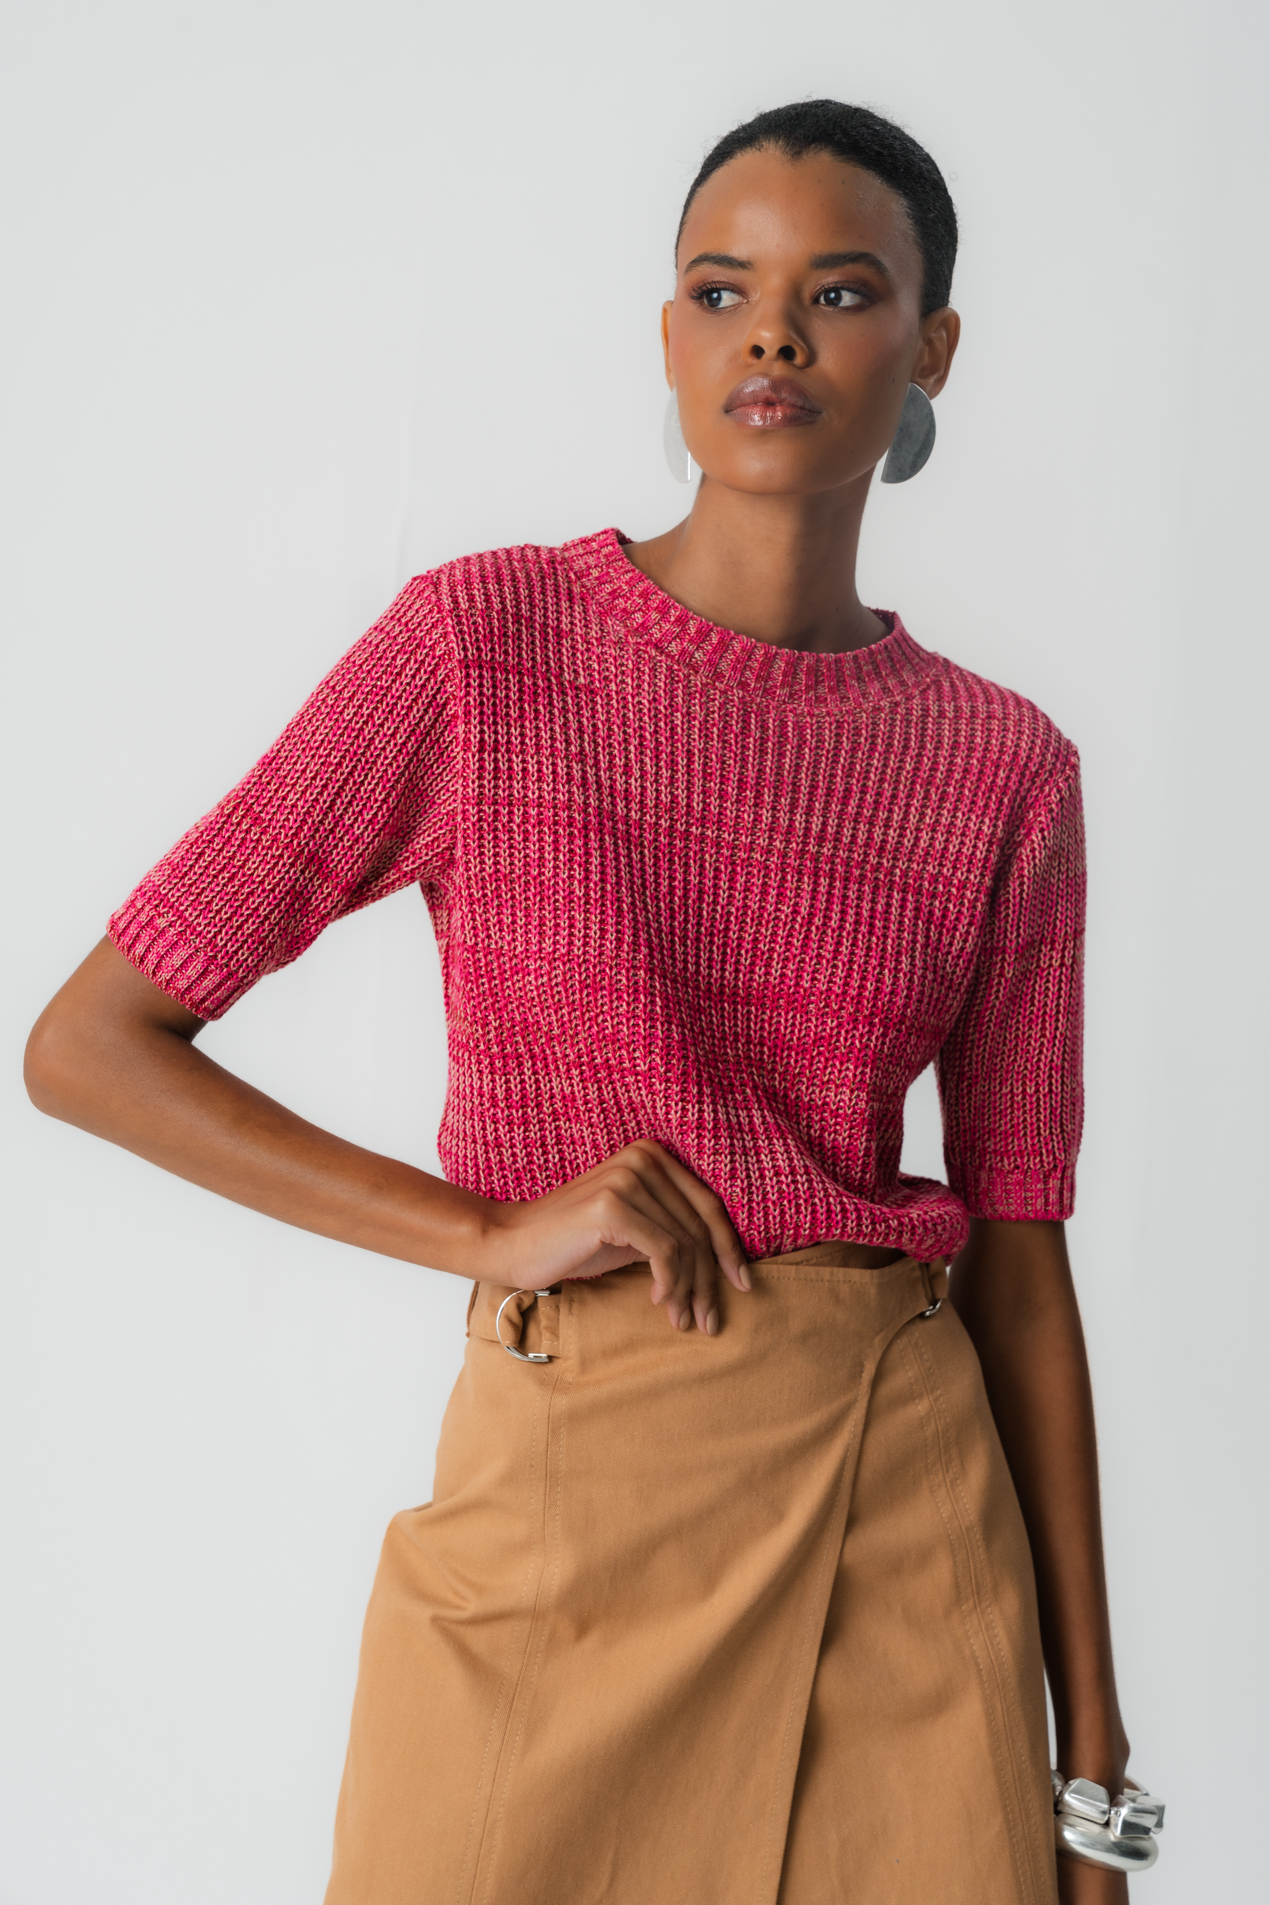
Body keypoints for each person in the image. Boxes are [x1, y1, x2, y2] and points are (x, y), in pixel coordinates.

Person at [25, 100, 1149, 1905]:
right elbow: (90, 1048)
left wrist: (1091, 1768)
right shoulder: (485, 650)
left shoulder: (1001, 766)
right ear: (668, 338)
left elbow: (1022, 1258)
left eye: (838, 293)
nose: (770, 335)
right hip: (573, 1495)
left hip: (899, 1507)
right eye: (720, 290)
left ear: (931, 350)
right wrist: (482, 1232)